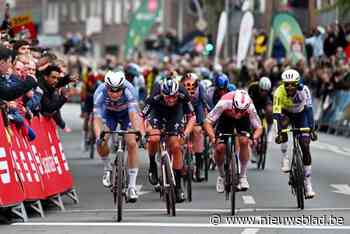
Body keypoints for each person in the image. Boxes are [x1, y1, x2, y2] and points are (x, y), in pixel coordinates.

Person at [141, 77, 196, 202]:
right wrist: (144, 133)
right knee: (154, 138)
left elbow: (192, 117)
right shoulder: (155, 94)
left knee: (175, 145)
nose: (171, 100)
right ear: (162, 94)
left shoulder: (183, 94)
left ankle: (177, 186)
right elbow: (142, 116)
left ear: (178, 94)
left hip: (175, 113)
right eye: (167, 97)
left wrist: (186, 132)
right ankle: (152, 164)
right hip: (157, 113)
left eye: (174, 97)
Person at [94, 71, 142, 203]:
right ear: (106, 87)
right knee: (101, 140)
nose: (114, 94)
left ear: (123, 87)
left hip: (127, 114)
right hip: (108, 115)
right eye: (111, 90)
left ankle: (132, 186)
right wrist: (99, 136)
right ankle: (107, 168)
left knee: (132, 143)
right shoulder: (99, 93)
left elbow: (133, 115)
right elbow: (97, 118)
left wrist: (137, 131)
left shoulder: (130, 90)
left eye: (118, 91)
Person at [203, 90, 262, 192]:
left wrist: (254, 138)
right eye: (237, 110)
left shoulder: (250, 107)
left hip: (243, 121)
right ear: (233, 104)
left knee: (244, 141)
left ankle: (243, 176)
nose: (238, 114)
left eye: (242, 111)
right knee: (219, 148)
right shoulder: (224, 102)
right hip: (226, 118)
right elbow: (207, 122)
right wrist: (213, 137)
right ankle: (221, 176)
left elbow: (259, 127)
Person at [273, 69, 317, 199]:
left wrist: (312, 129)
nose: (290, 87)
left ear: (298, 83)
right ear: (283, 84)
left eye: (293, 84)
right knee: (283, 126)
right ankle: (285, 157)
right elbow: (276, 115)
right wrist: (279, 132)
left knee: (305, 145)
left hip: (301, 114)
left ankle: (308, 183)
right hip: (286, 113)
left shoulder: (304, 90)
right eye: (287, 84)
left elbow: (309, 110)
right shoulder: (278, 92)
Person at [181, 72, 209, 182]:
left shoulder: (201, 89)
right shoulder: (179, 88)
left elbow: (205, 104)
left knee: (197, 130)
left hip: (197, 107)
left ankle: (199, 167)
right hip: (183, 106)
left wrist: (205, 122)